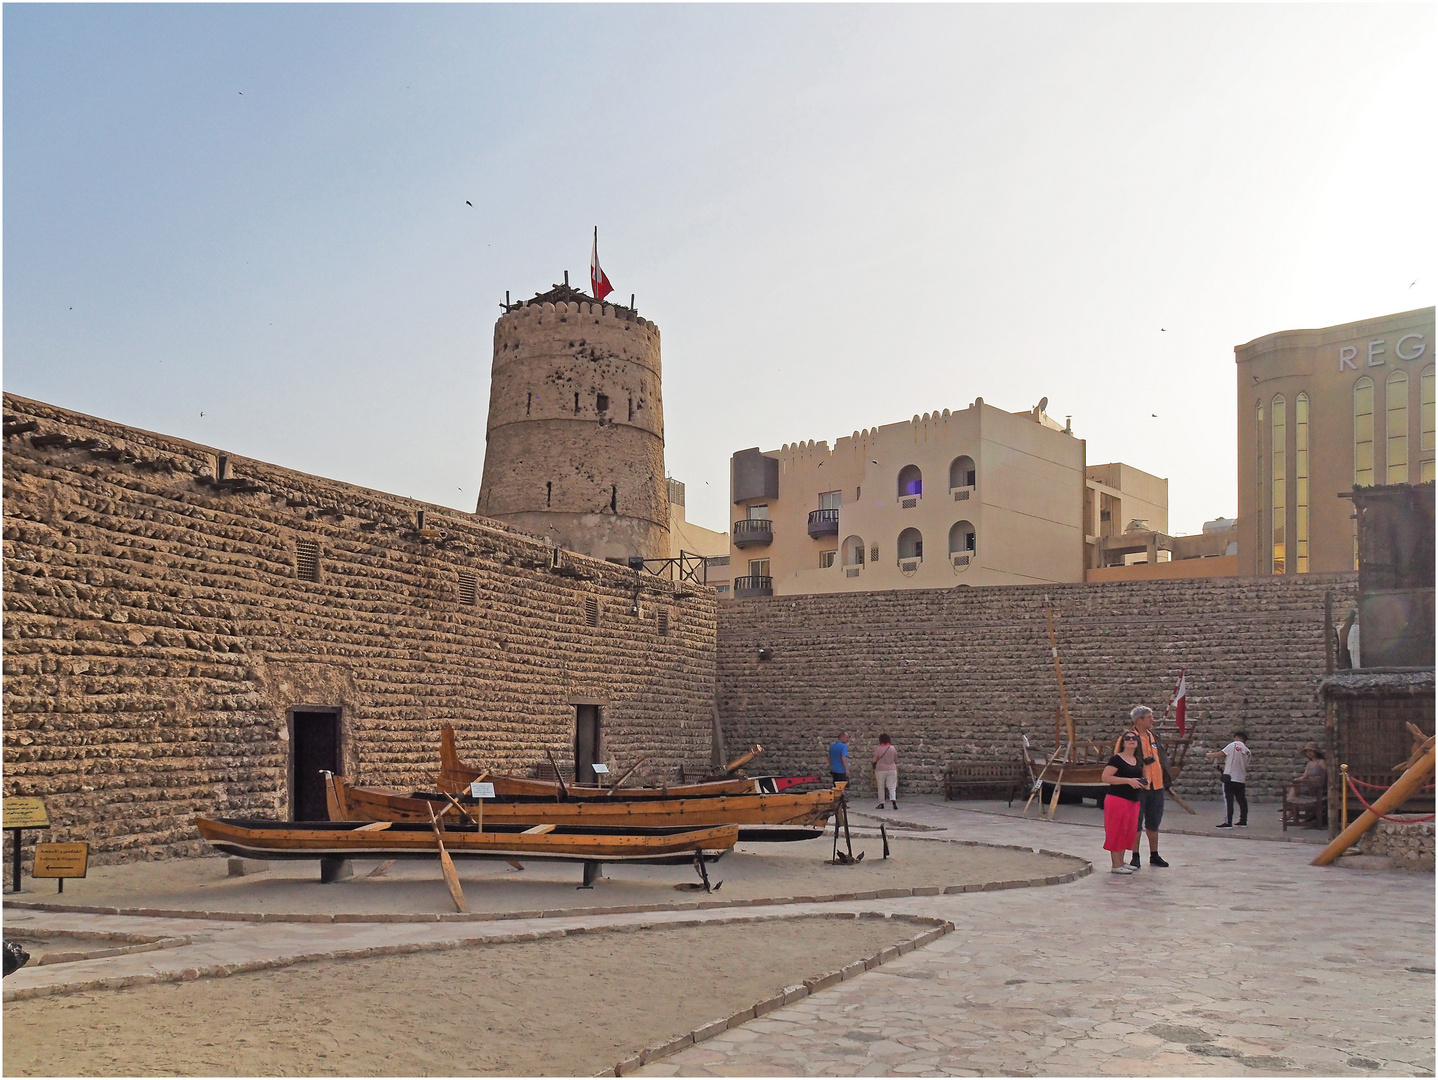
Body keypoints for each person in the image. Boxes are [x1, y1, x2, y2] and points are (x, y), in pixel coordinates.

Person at [1117, 705, 1170, 868]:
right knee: (1135, 823)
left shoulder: (1154, 736)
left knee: (1154, 822)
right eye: (1149, 717)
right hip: (1138, 786)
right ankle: (1135, 855)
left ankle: (1154, 854)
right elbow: (1120, 759)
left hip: (1157, 785)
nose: (1152, 720)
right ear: (1139, 720)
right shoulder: (1128, 738)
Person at [1101, 732, 1148, 874]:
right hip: (1117, 799)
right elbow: (1105, 777)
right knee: (1116, 830)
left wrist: (1142, 782)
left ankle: (1121, 861)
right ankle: (1115, 864)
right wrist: (1128, 781)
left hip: (1133, 800)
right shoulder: (1117, 759)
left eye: (1134, 738)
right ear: (1123, 742)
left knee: (1128, 831)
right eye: (1128, 738)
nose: (1131, 740)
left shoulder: (1138, 760)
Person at [1206, 730, 1251, 828]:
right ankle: (1243, 820)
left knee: (1228, 800)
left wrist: (1209, 755)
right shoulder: (1248, 752)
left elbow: (1220, 754)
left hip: (1229, 778)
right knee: (1241, 800)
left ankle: (1228, 822)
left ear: (1237, 737)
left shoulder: (1233, 745)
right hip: (1241, 778)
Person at [873, 733, 898, 809]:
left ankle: (881, 803)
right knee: (892, 786)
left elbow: (874, 759)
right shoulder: (892, 748)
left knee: (880, 786)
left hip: (880, 769)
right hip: (892, 769)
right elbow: (896, 759)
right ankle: (893, 800)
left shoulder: (878, 749)